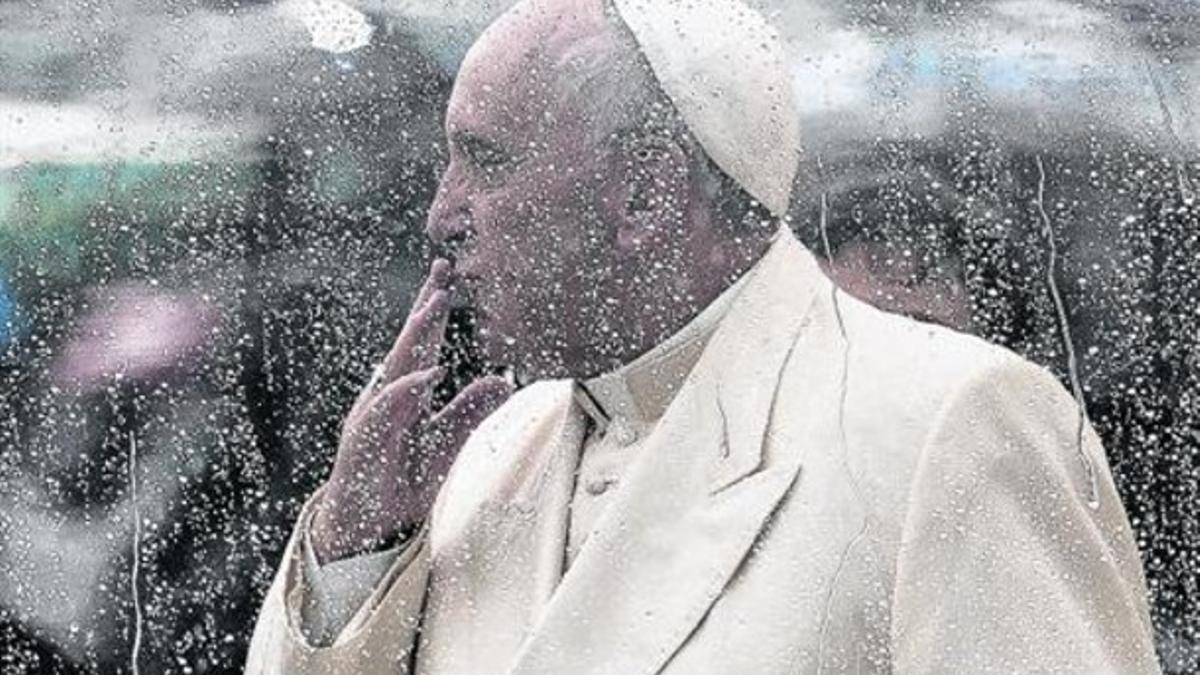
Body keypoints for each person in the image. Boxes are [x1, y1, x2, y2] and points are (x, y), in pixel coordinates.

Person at [245, 0, 1161, 672]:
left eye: (486, 160)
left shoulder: (949, 425)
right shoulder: (492, 448)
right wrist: (355, 547)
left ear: (644, 194)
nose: (441, 214)